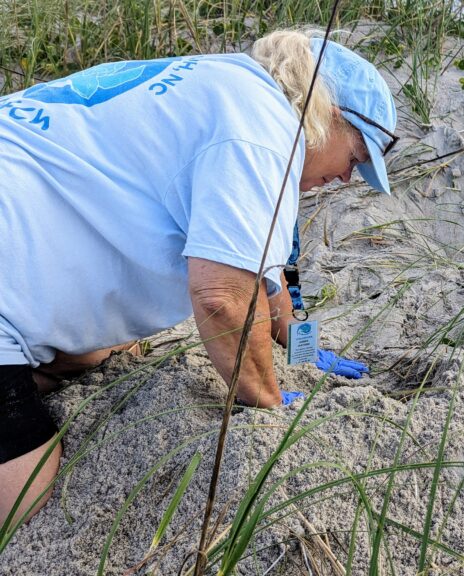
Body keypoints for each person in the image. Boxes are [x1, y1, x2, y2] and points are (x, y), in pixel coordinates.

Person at [0, 29, 398, 528]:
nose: (345, 179)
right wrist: (269, 405)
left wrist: (296, 340)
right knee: (22, 501)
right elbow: (222, 299)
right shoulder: (260, 132)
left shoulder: (229, 88)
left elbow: (265, 277)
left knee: (106, 355)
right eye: (355, 160)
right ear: (330, 116)